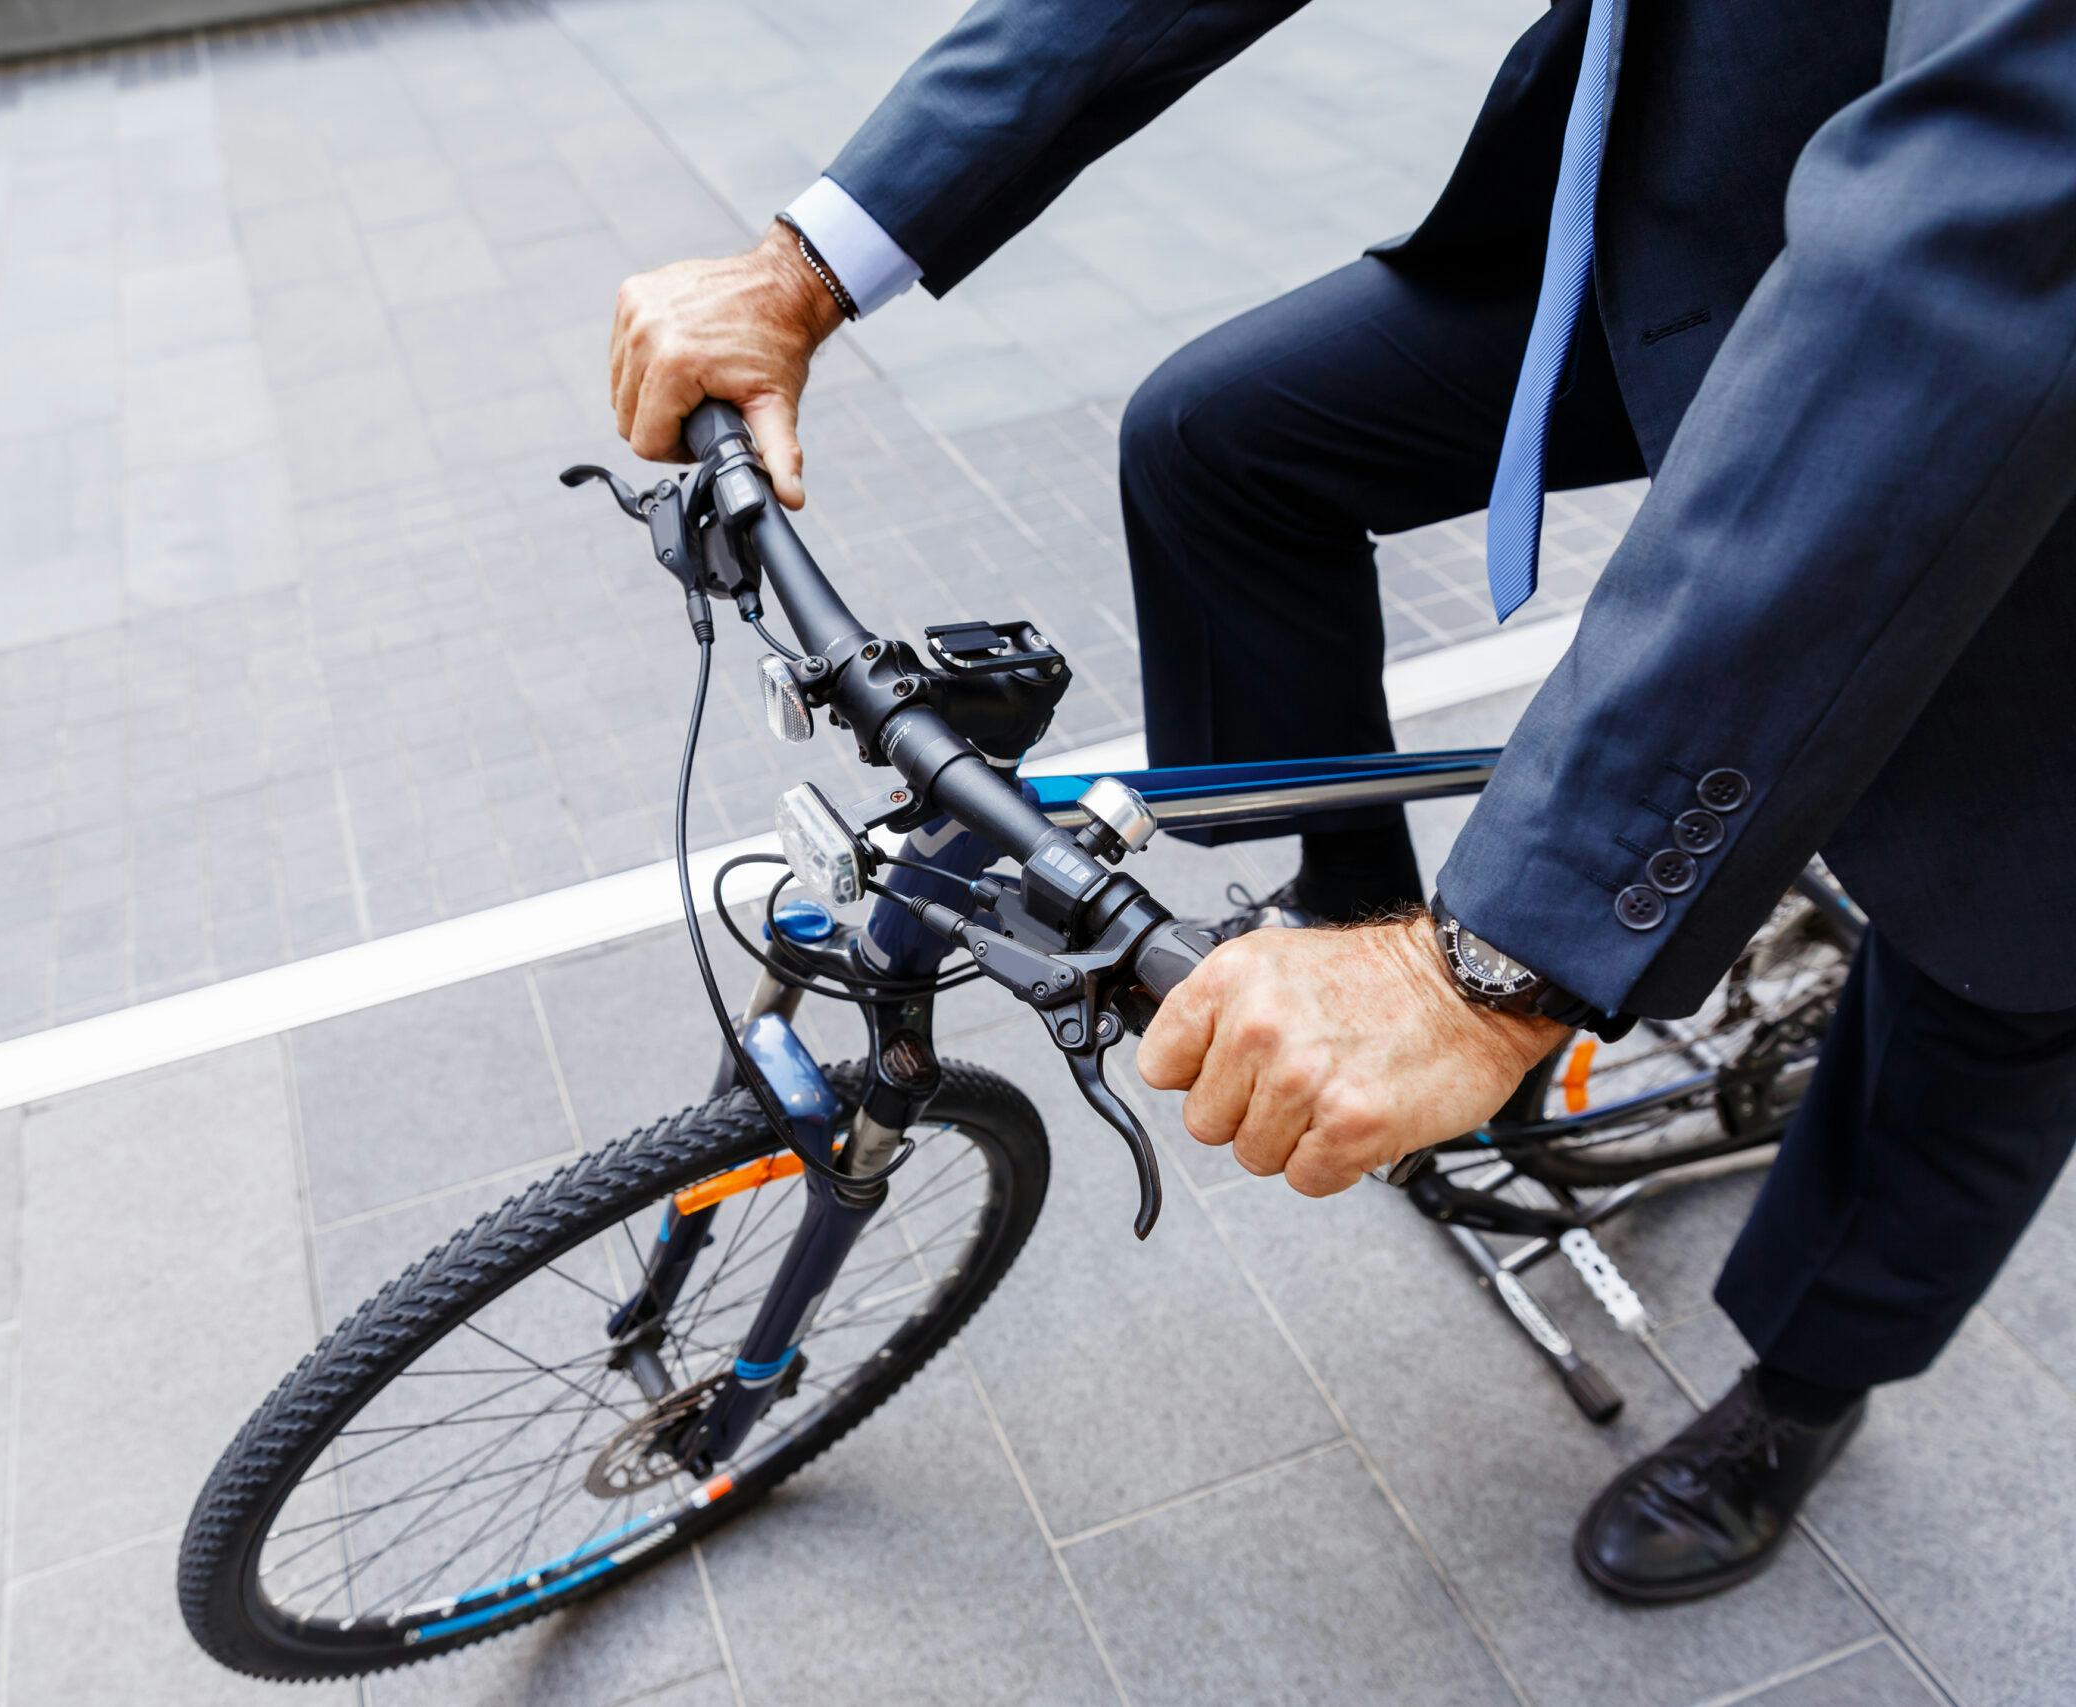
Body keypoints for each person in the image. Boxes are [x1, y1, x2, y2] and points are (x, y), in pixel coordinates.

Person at [606, 0, 2076, 1604]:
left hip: (2012, 325)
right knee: (1224, 439)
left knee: (2002, 923)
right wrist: (806, 261)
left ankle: (1804, 1386)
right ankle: (1352, 909)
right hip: (1734, 230)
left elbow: (1993, 214)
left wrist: (1509, 958)